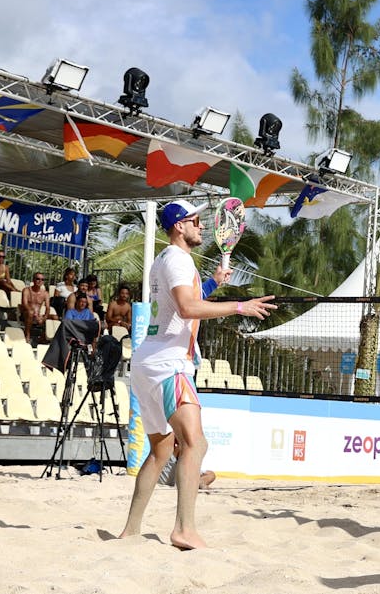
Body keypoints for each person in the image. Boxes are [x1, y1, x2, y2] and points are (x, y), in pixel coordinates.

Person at [119, 199, 276, 550]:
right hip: (169, 363)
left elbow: (182, 304)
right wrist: (240, 306)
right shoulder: (178, 259)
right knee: (196, 443)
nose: (202, 227)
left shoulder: (165, 259)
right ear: (179, 226)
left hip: (149, 360)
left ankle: (130, 531)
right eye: (195, 221)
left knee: (160, 452)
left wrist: (212, 283)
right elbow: (189, 308)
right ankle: (184, 529)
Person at [20, 272, 53, 343]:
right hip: (26, 313)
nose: (40, 281)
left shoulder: (45, 293)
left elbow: (48, 308)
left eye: (42, 279)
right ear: (33, 280)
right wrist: (35, 314)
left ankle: (44, 337)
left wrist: (44, 318)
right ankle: (27, 333)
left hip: (38, 314)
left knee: (55, 317)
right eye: (38, 279)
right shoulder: (26, 290)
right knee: (30, 312)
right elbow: (25, 304)